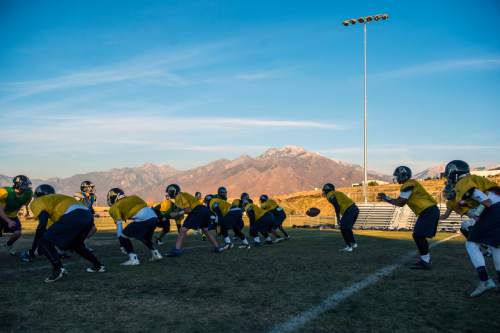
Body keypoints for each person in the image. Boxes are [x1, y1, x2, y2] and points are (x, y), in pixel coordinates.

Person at [444, 160, 500, 297]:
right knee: (496, 246)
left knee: (471, 244)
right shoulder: (475, 179)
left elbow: (486, 201)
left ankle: (485, 281)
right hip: (497, 208)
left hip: (495, 210)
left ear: (454, 173)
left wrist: (477, 213)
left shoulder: (463, 182)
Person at [29, 184, 105, 282]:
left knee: (44, 241)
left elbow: (42, 224)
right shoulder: (59, 198)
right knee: (76, 245)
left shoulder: (37, 202)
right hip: (87, 215)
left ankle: (58, 269)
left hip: (73, 215)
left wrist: (34, 247)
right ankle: (98, 265)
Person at [378, 166, 440, 270]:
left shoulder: (409, 184)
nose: (396, 178)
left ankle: (426, 261)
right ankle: (425, 260)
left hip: (428, 211)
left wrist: (386, 198)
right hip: (427, 211)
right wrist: (387, 198)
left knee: (418, 235)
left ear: (403, 175)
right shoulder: (410, 183)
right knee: (418, 235)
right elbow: (400, 201)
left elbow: (400, 203)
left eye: (397, 175)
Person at [107, 188, 163, 265]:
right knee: (144, 237)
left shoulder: (114, 207)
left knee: (123, 236)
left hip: (144, 220)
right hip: (154, 218)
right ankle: (156, 254)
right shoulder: (134, 197)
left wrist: (121, 243)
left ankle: (133, 259)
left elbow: (119, 226)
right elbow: (143, 210)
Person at [165, 184, 224, 257]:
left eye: (169, 192)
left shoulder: (179, 196)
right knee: (205, 229)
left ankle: (177, 250)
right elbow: (187, 209)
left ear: (174, 191)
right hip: (204, 210)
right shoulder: (182, 195)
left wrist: (177, 213)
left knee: (183, 229)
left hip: (197, 210)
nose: (169, 193)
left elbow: (188, 209)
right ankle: (217, 247)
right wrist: (177, 213)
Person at [0, 175, 33, 255]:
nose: (27, 187)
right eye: (24, 184)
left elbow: (25, 204)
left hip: (13, 216)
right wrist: (9, 221)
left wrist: (26, 211)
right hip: (1, 215)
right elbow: (0, 210)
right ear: (18, 184)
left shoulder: (28, 194)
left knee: (17, 233)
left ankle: (8, 245)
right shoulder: (6, 192)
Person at [322, 183, 359, 252]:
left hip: (349, 210)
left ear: (327, 190)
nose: (323, 192)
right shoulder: (336, 193)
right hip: (355, 209)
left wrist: (338, 218)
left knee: (343, 227)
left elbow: (336, 206)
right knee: (347, 228)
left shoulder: (330, 195)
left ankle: (349, 246)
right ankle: (353, 243)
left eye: (324, 190)